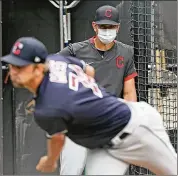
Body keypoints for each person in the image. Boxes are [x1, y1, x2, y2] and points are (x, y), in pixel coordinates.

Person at [1, 37, 177, 175]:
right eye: (12, 64)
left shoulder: (48, 107)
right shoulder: (57, 61)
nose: (13, 71)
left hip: (135, 128)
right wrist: (86, 93)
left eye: (20, 67)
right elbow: (89, 70)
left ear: (38, 68)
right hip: (104, 146)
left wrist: (49, 161)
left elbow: (57, 140)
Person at [57, 5, 137, 175]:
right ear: (95, 26)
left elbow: (129, 92)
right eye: (103, 26)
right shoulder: (75, 51)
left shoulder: (126, 53)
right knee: (71, 171)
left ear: (118, 27)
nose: (107, 30)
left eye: (111, 26)